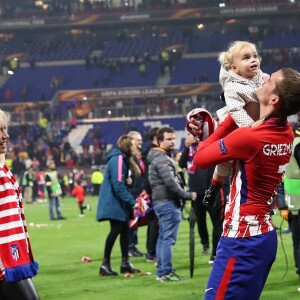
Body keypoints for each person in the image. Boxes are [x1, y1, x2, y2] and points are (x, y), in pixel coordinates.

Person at [189, 67, 300, 299]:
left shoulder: (250, 137)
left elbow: (200, 158)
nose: (265, 77)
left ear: (274, 99)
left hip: (242, 239)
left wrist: (232, 115)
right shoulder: (286, 132)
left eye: (271, 80)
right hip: (262, 236)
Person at [202, 41, 269, 207]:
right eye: (246, 58)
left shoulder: (264, 77)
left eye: (255, 56)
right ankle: (214, 186)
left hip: (259, 125)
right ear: (234, 68)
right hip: (237, 126)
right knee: (225, 162)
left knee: (262, 164)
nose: (253, 60)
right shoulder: (232, 87)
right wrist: (251, 129)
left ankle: (262, 198)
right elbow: (237, 112)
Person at [147, 127, 197, 282]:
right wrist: (188, 195)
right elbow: (171, 184)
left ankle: (162, 271)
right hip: (167, 202)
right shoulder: (162, 159)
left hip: (161, 201)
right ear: (159, 140)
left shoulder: (157, 157)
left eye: (173, 138)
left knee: (163, 237)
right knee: (168, 239)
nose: (172, 141)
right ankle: (166, 272)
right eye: (168, 139)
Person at [0, 109, 40, 300]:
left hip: (14, 258)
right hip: (4, 262)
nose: (5, 135)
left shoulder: (3, 168)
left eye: (5, 129)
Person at [178, 134, 229, 263]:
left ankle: (215, 252)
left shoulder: (209, 147)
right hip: (196, 192)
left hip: (210, 191)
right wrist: (186, 147)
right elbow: (181, 163)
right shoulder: (191, 150)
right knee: (200, 220)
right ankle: (206, 244)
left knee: (216, 220)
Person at [97, 135, 141, 276]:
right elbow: (117, 185)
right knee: (116, 231)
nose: (136, 147)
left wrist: (129, 182)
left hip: (117, 201)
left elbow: (121, 181)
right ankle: (105, 264)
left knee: (124, 232)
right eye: (133, 145)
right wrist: (132, 202)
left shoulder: (122, 159)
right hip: (114, 201)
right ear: (128, 146)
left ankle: (125, 263)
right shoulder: (119, 159)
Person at [278, 113, 300, 292]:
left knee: (297, 241)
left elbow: (281, 178)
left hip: (292, 205)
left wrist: (283, 206)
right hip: (294, 205)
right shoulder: (297, 144)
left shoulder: (289, 144)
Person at [127, 131, 146, 257]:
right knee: (131, 221)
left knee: (135, 221)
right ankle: (129, 247)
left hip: (138, 192)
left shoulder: (138, 156)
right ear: (131, 141)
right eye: (138, 140)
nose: (141, 142)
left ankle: (132, 246)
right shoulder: (128, 157)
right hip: (132, 193)